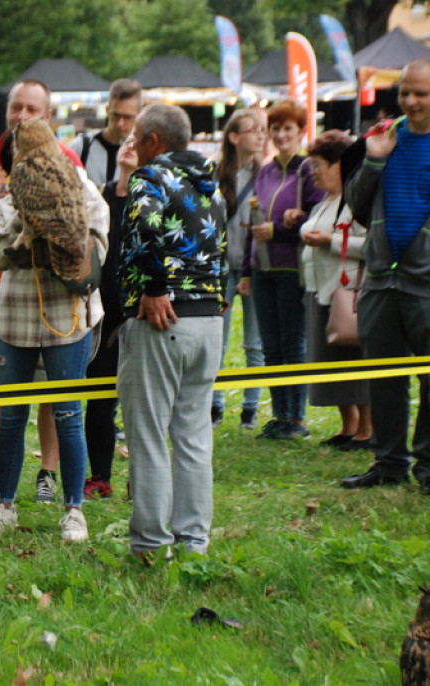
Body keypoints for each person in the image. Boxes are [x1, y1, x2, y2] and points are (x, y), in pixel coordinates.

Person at [0, 125, 109, 543]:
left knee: (68, 414)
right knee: (12, 415)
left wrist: (59, 236)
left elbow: (97, 243)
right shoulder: (9, 193)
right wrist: (28, 224)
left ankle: (74, 510)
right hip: (15, 318)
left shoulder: (80, 184)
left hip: (66, 317)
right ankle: (4, 505)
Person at [118, 103, 227, 561]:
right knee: (194, 434)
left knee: (147, 434)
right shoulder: (212, 186)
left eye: (137, 139)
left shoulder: (151, 177)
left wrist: (155, 288)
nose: (134, 149)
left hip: (164, 318)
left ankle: (149, 542)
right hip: (209, 321)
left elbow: (144, 225)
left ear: (154, 142)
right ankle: (193, 542)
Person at [0, 79, 71, 503]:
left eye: (31, 108)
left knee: (48, 384)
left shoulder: (66, 159)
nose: (21, 115)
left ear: (47, 115)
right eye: (15, 107)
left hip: (47, 296)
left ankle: (48, 471)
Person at [340, 58, 430, 492]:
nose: (410, 102)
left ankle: (428, 465)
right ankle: (389, 463)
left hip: (425, 283)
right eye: (405, 93)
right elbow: (355, 206)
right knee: (385, 376)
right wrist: (374, 160)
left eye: (421, 94)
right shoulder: (384, 137)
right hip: (380, 278)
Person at [240, 100, 324, 440]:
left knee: (293, 343)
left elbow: (319, 214)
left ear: (300, 131)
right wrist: (247, 270)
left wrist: (282, 229)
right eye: (275, 129)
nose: (281, 134)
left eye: (288, 128)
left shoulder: (308, 170)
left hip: (293, 267)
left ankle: (297, 418)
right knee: (271, 345)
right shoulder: (266, 170)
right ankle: (279, 414)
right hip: (263, 268)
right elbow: (255, 223)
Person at [298, 130, 371, 451]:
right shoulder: (326, 201)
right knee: (332, 363)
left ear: (340, 165)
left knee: (355, 362)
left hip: (348, 294)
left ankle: (368, 430)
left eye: (318, 165)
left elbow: (372, 246)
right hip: (320, 292)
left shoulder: (359, 202)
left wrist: (330, 241)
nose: (313, 172)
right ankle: (349, 426)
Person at [83, 137, 137, 500]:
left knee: (139, 401)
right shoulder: (99, 195)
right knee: (99, 399)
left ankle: (142, 478)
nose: (129, 144)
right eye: (125, 140)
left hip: (137, 315)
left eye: (137, 138)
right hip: (101, 314)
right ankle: (100, 474)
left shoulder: (150, 198)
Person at [211, 110, 267, 429]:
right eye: (253, 130)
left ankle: (251, 408)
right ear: (234, 137)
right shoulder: (215, 174)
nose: (261, 136)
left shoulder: (267, 174)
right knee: (217, 340)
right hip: (220, 270)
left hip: (254, 268)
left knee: (254, 343)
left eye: (263, 130)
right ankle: (215, 406)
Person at [68, 79, 143, 188]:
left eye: (127, 117)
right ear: (107, 109)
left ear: (139, 115)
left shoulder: (144, 154)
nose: (120, 123)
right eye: (115, 115)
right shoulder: (81, 147)